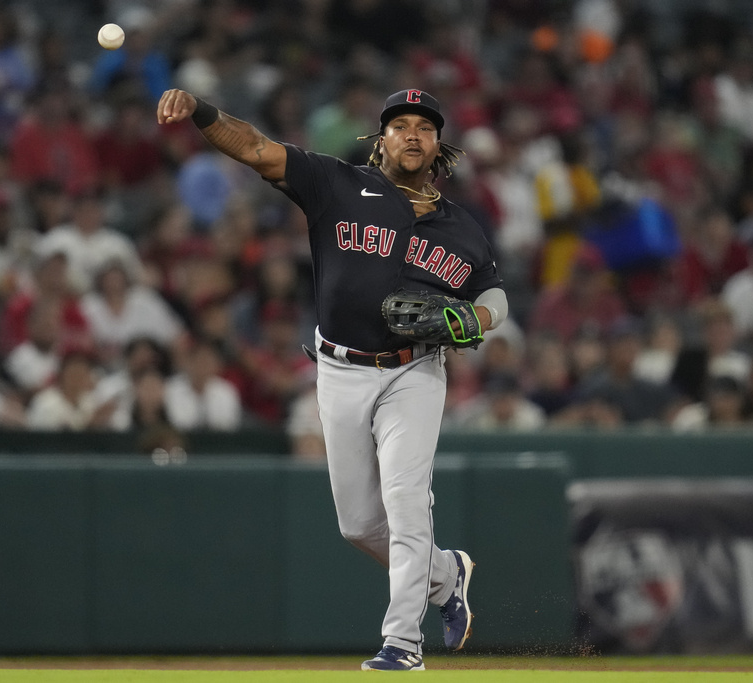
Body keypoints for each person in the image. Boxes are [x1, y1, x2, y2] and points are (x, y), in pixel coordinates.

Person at [157, 86, 508, 670]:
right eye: (400, 124)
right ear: (382, 137)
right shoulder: (337, 184)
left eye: (425, 125)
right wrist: (201, 112)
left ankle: (402, 642)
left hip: (414, 370)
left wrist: (479, 315)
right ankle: (446, 575)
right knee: (357, 526)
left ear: (438, 142)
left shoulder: (461, 227)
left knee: (404, 499)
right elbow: (255, 149)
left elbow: (492, 291)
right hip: (340, 370)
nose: (413, 133)